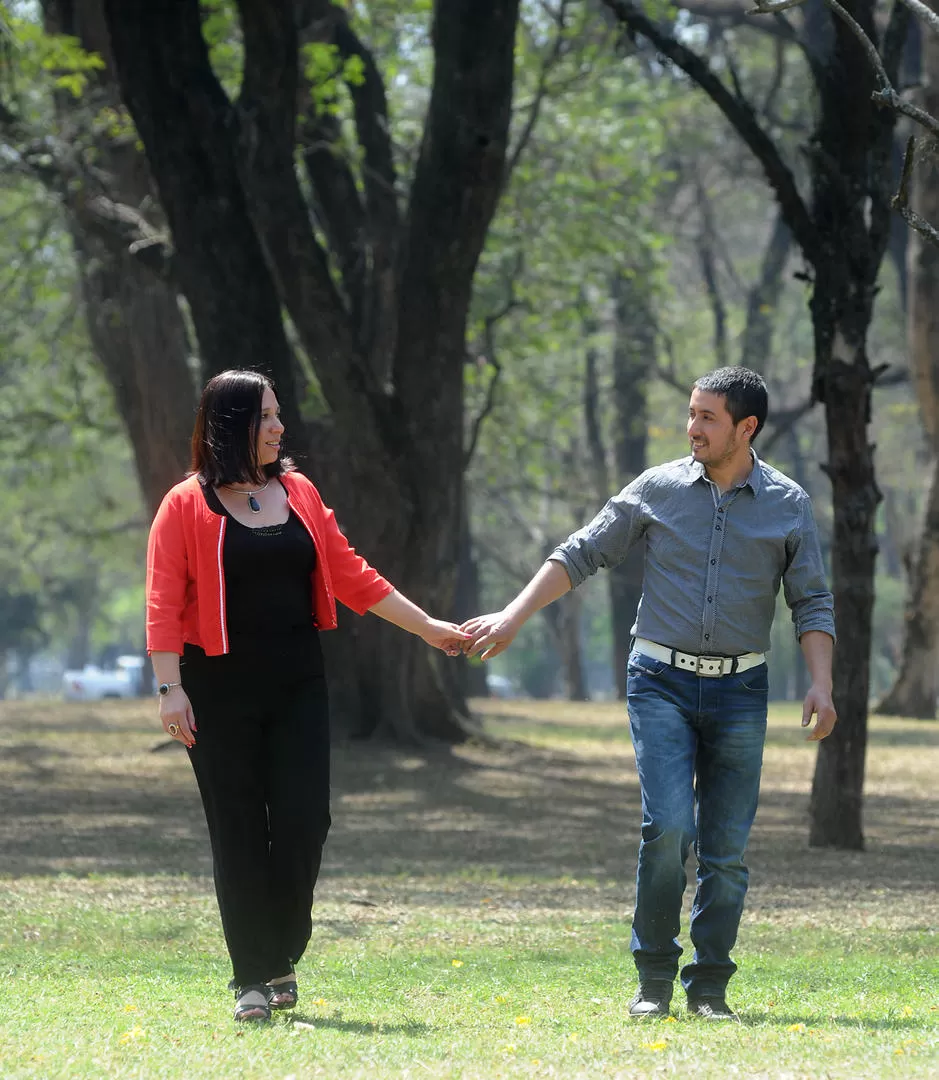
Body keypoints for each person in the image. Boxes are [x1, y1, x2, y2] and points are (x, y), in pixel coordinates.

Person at [462, 366, 836, 1021]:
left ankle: (709, 987)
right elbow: (580, 552)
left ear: (745, 428)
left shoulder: (788, 504)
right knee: (667, 828)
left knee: (725, 849)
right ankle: (653, 981)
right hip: (658, 680)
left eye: (707, 418)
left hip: (740, 689)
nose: (692, 427)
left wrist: (822, 683)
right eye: (690, 413)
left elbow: (810, 600)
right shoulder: (657, 488)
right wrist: (512, 616)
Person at [146, 369, 468, 1023]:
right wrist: (169, 687)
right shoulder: (185, 504)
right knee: (236, 830)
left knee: (303, 821)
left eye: (277, 414)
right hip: (215, 687)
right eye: (265, 416)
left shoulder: (298, 492)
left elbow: (352, 573)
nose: (278, 426)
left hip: (297, 682)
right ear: (231, 423)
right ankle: (253, 980)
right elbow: (162, 602)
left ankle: (279, 947)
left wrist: (430, 628)